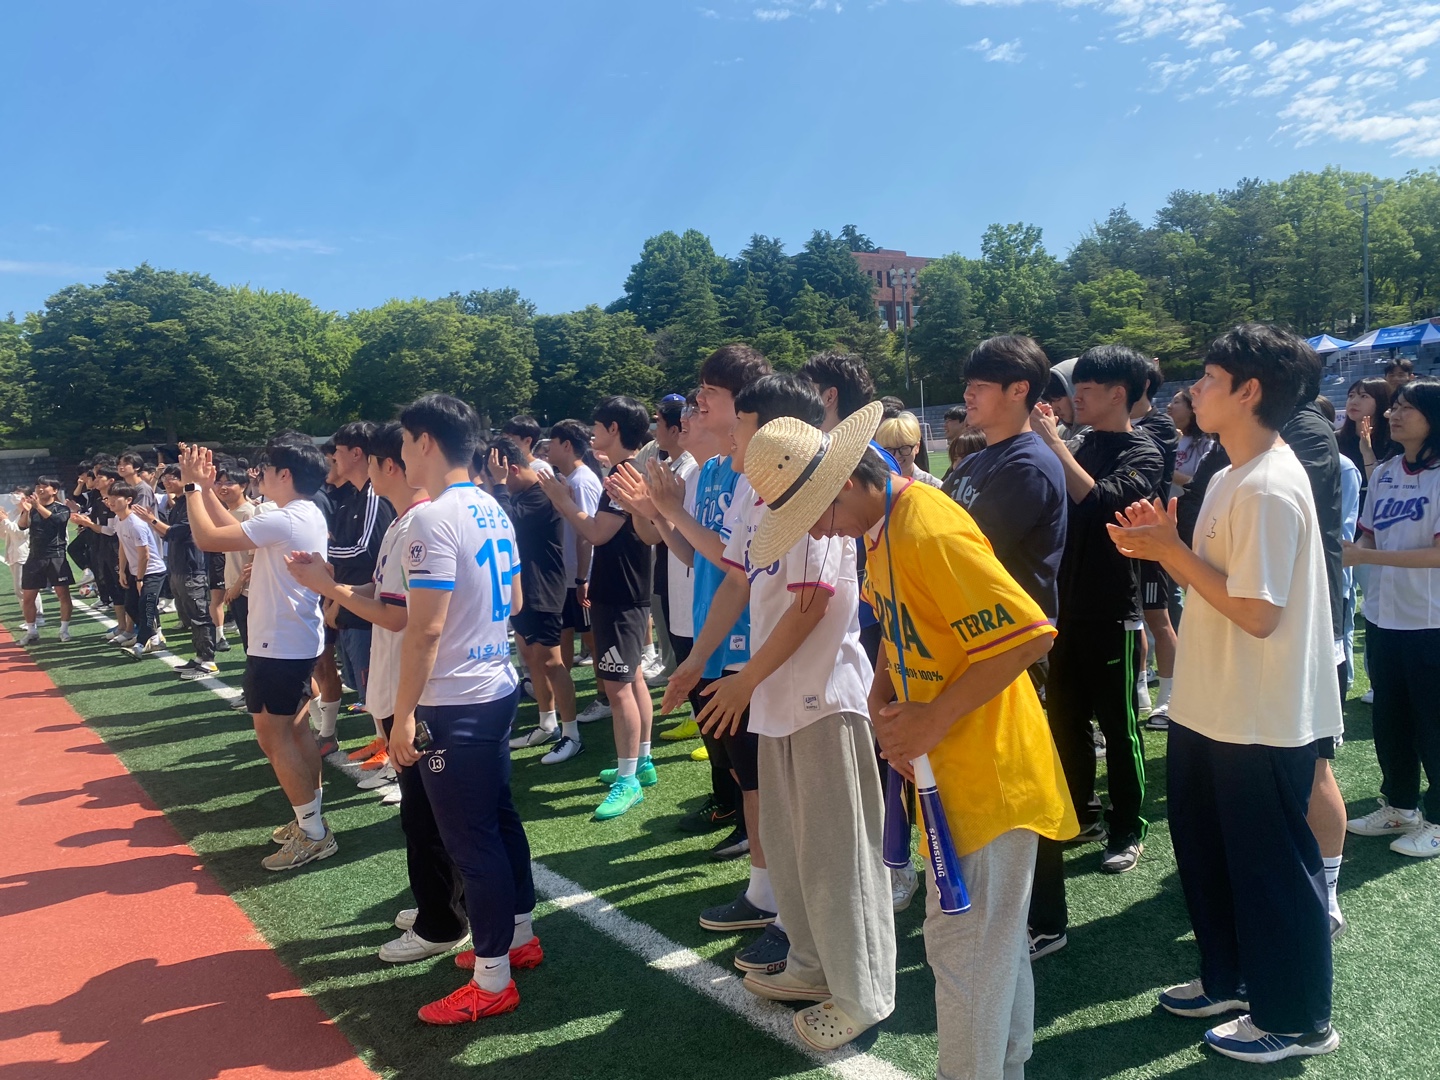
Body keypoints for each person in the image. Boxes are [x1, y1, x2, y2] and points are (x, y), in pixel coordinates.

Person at [756, 405, 1073, 1076]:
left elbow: (1028, 636)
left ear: (846, 484)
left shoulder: (925, 525)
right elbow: (904, 628)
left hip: (989, 771)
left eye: (814, 515)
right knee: (989, 949)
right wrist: (882, 694)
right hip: (951, 767)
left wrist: (933, 718)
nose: (816, 532)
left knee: (964, 952)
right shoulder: (879, 529)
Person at [1107, 322, 1341, 1064]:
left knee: (1271, 871)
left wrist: (1170, 552)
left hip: (1259, 715)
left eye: (1209, 378)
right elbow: (1217, 584)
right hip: (1212, 708)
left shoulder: (1269, 483)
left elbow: (1259, 614)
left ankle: (1298, 1021)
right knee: (1211, 856)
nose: (1193, 390)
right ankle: (1230, 980)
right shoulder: (1231, 473)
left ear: (1250, 391)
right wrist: (1163, 547)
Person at [682, 375, 894, 1049]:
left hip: (823, 703)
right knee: (796, 850)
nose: (732, 442)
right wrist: (702, 665)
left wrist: (744, 681)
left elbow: (811, 607)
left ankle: (862, 993)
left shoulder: (816, 500)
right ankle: (808, 963)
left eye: (741, 429)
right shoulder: (768, 497)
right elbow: (741, 582)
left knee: (838, 857)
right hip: (780, 704)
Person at [388, 393, 541, 1025]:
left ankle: (493, 979)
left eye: (404, 442)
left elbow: (424, 630)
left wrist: (402, 716)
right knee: (498, 820)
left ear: (425, 441)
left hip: (456, 699)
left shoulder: (431, 517)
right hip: (495, 685)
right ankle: (519, 938)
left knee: (472, 843)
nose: (400, 454)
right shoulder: (490, 504)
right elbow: (515, 599)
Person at [950, 336, 1070, 958]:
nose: (967, 393)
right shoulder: (977, 461)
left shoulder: (1027, 465)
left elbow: (959, 551)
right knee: (983, 781)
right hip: (972, 643)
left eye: (981, 384)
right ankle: (989, 900)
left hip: (1013, 649)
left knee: (1019, 786)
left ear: (1019, 389)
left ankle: (1042, 917)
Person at [1032, 345, 1164, 876]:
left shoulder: (1145, 451)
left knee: (1119, 725)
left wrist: (1053, 444)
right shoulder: (1081, 441)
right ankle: (1082, 813)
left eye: (1086, 389)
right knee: (1065, 720)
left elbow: (1102, 504)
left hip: (1111, 611)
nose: (1076, 397)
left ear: (1118, 395)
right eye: (1076, 388)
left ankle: (1128, 826)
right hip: (1062, 610)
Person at [180, 435, 335, 872]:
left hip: (279, 644)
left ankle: (313, 833)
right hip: (293, 639)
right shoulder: (300, 513)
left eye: (266, 468)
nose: (259, 474)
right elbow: (232, 527)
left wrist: (191, 488)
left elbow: (208, 538)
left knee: (274, 737)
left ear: (284, 474)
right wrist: (205, 489)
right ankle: (311, 820)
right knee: (297, 732)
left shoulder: (286, 519)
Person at [539, 395, 656, 819]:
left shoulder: (626, 473)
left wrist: (561, 499)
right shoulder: (625, 470)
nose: (592, 434)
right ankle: (641, 763)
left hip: (622, 593)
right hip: (622, 591)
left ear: (614, 429)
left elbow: (598, 532)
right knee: (632, 679)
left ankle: (628, 779)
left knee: (618, 688)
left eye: (598, 427)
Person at [1343, 378, 1440, 859]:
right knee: (1390, 720)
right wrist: (1353, 551)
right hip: (1384, 617)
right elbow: (1369, 535)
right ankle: (1400, 805)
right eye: (1393, 407)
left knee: (1433, 724)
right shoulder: (1382, 473)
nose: (1392, 415)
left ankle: (1437, 819)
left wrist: (1365, 557)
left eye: (1406, 408)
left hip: (1431, 622)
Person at [494, 437, 578, 761]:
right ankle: (547, 723)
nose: (496, 484)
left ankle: (572, 735)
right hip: (523, 589)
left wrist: (498, 487)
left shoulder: (544, 492)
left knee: (551, 662)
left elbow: (506, 523)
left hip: (544, 588)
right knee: (531, 657)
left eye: (499, 476)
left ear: (512, 470)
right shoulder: (520, 492)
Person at [324, 421, 397, 758]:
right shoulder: (354, 496)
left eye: (337, 452)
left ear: (357, 453)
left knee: (377, 683)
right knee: (366, 684)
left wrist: (321, 556)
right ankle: (382, 740)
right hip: (355, 602)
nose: (333, 458)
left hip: (374, 607)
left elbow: (366, 550)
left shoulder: (374, 496)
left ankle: (390, 752)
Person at [546, 419, 606, 718]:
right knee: (567, 633)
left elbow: (587, 533)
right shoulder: (570, 479)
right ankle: (563, 697)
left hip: (583, 575)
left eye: (552, 443)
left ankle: (604, 697)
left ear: (567, 445)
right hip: (570, 576)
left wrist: (583, 577)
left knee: (593, 638)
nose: (547, 449)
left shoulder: (581, 481)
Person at [134, 465, 217, 678]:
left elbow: (177, 532)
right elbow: (167, 534)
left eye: (172, 477)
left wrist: (151, 520)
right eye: (165, 478)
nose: (166, 482)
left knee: (199, 615)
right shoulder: (179, 502)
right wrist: (153, 522)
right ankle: (199, 657)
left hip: (192, 567)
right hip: (177, 566)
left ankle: (209, 660)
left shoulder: (192, 502)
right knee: (189, 615)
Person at [108, 482, 167, 657]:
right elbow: (122, 547)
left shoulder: (136, 523)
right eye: (109, 498)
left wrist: (140, 579)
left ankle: (140, 645)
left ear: (128, 500)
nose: (111, 501)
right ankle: (153, 636)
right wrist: (122, 571)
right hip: (136, 572)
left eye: (116, 498)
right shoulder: (118, 520)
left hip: (152, 571)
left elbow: (145, 555)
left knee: (146, 605)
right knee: (131, 606)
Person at [16, 477, 73, 644]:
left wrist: (37, 506)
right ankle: (31, 631)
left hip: (56, 556)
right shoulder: (32, 509)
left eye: (44, 486)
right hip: (34, 556)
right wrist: (26, 511)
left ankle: (64, 630)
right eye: (38, 486)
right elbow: (21, 526)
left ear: (54, 490)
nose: (40, 489)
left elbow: (56, 521)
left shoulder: (61, 508)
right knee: (28, 596)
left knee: (63, 595)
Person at [1336, 377, 1398, 509]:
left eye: (1364, 396)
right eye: (1351, 396)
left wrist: (1367, 452)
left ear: (1381, 400)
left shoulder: (1394, 441)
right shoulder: (1336, 439)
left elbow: (1384, 487)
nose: (1353, 402)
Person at [1168, 388, 1213, 499]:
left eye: (1176, 402)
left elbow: (1207, 484)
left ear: (1192, 408)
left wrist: (1169, 473)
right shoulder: (1168, 439)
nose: (1169, 406)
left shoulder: (1206, 442)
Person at [875, 413, 941, 488]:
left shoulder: (934, 486)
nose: (897, 455)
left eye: (904, 448)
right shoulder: (873, 487)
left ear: (917, 447)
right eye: (889, 449)